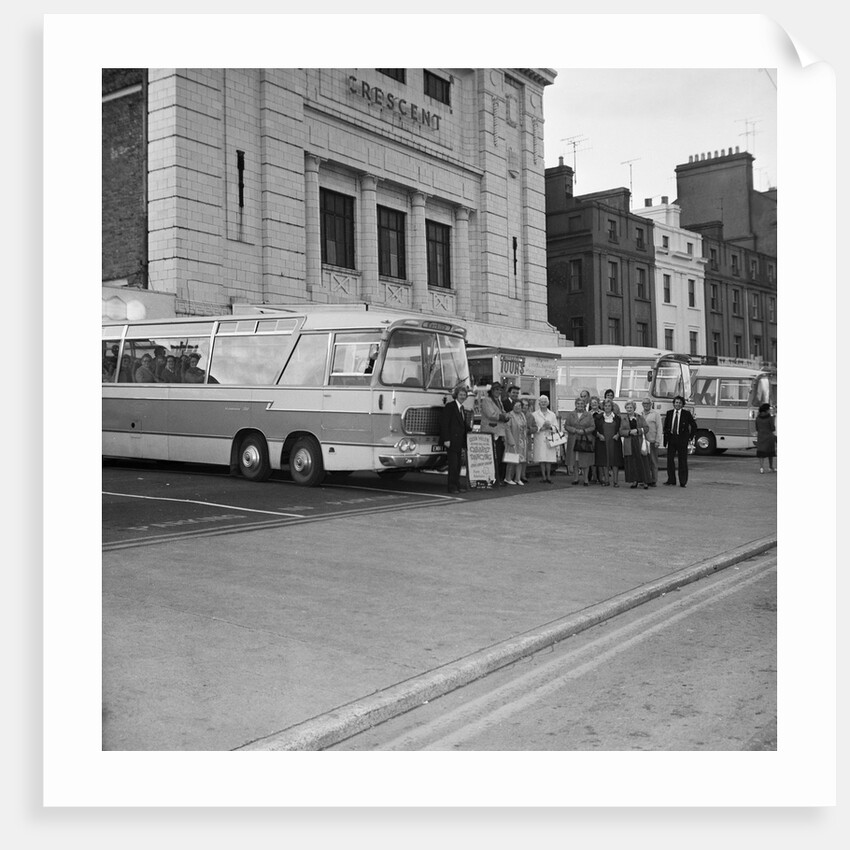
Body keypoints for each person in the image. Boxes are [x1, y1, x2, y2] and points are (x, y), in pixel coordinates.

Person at [440, 386, 472, 493]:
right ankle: (452, 487)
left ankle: (457, 485)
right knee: (453, 465)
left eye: (464, 395)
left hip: (459, 441)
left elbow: (463, 425)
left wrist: (471, 431)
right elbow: (444, 423)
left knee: (458, 465)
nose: (463, 397)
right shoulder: (450, 406)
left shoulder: (462, 408)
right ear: (456, 395)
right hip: (451, 441)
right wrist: (446, 439)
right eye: (461, 395)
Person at [663, 395, 698, 487]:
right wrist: (666, 437)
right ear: (673, 404)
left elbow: (694, 426)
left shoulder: (686, 414)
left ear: (682, 404)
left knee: (682, 461)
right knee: (670, 460)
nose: (677, 404)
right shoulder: (669, 413)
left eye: (680, 403)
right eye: (676, 402)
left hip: (682, 439)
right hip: (671, 439)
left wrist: (690, 437)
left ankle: (683, 481)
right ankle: (671, 480)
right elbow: (666, 426)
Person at [480, 381, 510, 485]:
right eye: (497, 389)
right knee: (493, 457)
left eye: (500, 390)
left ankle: (499, 478)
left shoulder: (498, 401)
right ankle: (493, 478)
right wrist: (504, 417)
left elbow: (502, 412)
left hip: (500, 432)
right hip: (490, 431)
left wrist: (506, 415)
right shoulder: (487, 400)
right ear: (492, 391)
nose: (499, 391)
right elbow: (491, 415)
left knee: (500, 456)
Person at [563, 396, 596, 486]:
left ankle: (586, 479)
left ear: (585, 405)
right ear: (575, 404)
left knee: (585, 460)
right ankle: (576, 478)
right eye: (578, 403)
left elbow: (592, 427)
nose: (580, 405)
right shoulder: (571, 414)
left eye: (582, 404)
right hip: (573, 439)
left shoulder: (588, 415)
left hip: (584, 440)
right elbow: (566, 426)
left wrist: (584, 431)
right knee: (575, 460)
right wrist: (574, 430)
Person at [619, 400, 651, 489]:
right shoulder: (623, 419)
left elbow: (646, 428)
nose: (629, 409)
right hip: (629, 442)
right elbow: (621, 431)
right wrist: (629, 432)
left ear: (634, 408)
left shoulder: (640, 417)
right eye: (627, 408)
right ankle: (634, 481)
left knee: (643, 462)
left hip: (639, 441)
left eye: (631, 407)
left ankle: (645, 481)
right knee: (631, 462)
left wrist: (638, 430)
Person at [595, 398, 623, 486]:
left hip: (614, 442)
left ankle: (615, 481)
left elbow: (622, 428)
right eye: (606, 406)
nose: (607, 407)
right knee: (605, 461)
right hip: (603, 442)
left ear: (612, 407)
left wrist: (618, 434)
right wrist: (599, 435)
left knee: (615, 462)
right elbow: (594, 429)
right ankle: (606, 481)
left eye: (609, 406)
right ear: (603, 407)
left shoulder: (617, 418)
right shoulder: (598, 417)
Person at [531, 395, 559, 483]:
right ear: (539, 403)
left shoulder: (552, 414)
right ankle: (543, 477)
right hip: (539, 437)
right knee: (541, 458)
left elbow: (556, 427)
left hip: (549, 437)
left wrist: (550, 427)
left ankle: (549, 477)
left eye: (545, 402)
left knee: (549, 459)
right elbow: (533, 427)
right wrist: (541, 428)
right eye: (541, 402)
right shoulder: (534, 414)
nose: (543, 403)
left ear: (548, 403)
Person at [504, 399, 529, 485]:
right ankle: (507, 478)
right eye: (516, 406)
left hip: (522, 440)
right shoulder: (509, 415)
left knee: (520, 460)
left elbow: (525, 427)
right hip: (513, 440)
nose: (518, 407)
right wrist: (511, 440)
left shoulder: (522, 415)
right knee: (511, 459)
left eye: (519, 406)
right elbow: (507, 428)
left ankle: (517, 478)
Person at [640, 397, 663, 487]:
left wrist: (658, 440)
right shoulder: (640, 414)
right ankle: (646, 479)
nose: (646, 405)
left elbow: (659, 428)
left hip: (652, 441)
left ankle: (654, 480)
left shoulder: (656, 414)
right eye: (644, 403)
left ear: (651, 404)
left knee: (653, 461)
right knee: (644, 462)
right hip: (643, 441)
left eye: (647, 403)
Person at [755, 402, 777, 473]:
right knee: (770, 453)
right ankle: (771, 467)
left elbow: (757, 428)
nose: (770, 410)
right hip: (769, 437)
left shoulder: (757, 418)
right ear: (766, 410)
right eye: (769, 409)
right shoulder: (770, 418)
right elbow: (773, 428)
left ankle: (761, 468)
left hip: (761, 437)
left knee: (761, 453)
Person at [518, 398, 536, 484]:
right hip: (517, 439)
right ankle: (515, 475)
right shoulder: (516, 414)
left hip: (526, 439)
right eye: (523, 405)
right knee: (517, 458)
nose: (524, 407)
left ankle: (523, 475)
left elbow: (535, 427)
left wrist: (529, 430)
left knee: (525, 458)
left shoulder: (530, 416)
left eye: (526, 405)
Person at [587, 395, 603, 483]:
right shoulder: (587, 414)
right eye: (592, 403)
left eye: (595, 402)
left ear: (598, 403)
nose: (594, 404)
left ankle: (601, 477)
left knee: (600, 456)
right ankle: (594, 476)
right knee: (592, 456)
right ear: (590, 404)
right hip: (591, 437)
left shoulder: (603, 413)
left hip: (601, 437)